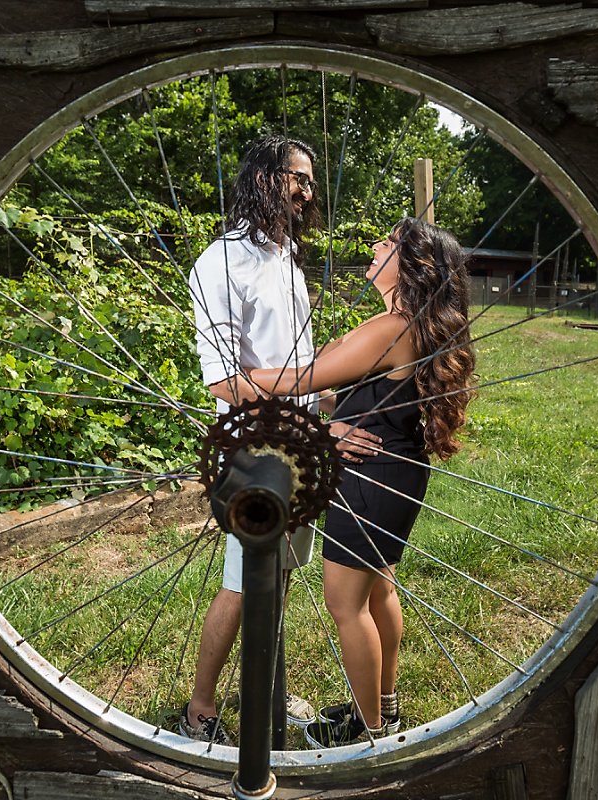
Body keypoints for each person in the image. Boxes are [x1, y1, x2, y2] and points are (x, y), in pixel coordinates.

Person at [182, 134, 381, 746]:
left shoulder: (284, 254)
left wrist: (323, 399)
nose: (307, 190)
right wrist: (311, 424)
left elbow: (292, 361)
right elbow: (223, 380)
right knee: (242, 585)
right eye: (297, 176)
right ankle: (200, 709)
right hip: (257, 451)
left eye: (310, 180)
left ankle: (263, 687)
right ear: (263, 179)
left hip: (298, 446)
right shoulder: (221, 263)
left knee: (280, 577)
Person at [247, 217, 476, 747]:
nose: (376, 246)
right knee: (379, 594)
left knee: (345, 606)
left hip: (368, 480)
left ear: (413, 266)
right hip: (397, 472)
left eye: (390, 243)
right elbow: (357, 397)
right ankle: (385, 709)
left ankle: (366, 733)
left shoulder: (390, 329)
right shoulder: (412, 325)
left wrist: (231, 377)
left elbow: (290, 382)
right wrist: (329, 411)